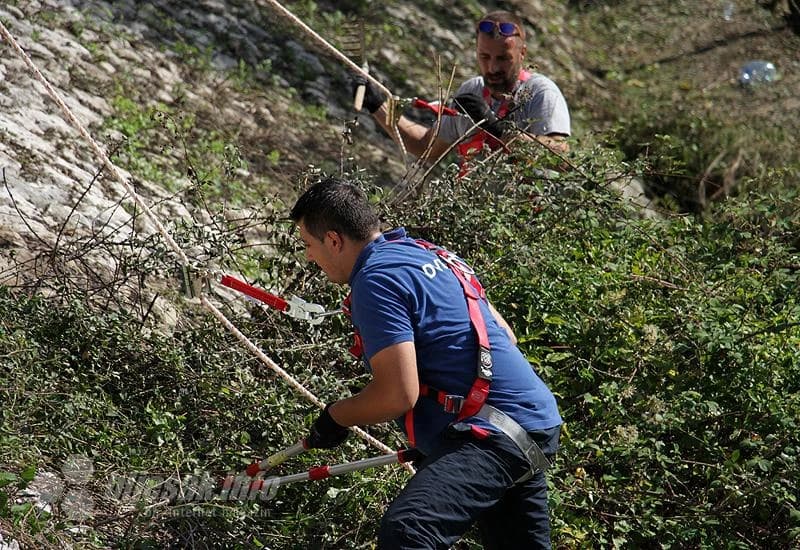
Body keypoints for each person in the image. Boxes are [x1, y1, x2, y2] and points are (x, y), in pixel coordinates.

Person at [291, 177, 562, 549]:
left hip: (495, 432)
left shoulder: (375, 280)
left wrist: (335, 417)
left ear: (334, 240)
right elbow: (505, 335)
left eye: (308, 245)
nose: (308, 256)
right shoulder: (425, 251)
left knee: (408, 532)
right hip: (533, 420)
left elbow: (398, 394)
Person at [357, 10, 571, 166]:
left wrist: (499, 130)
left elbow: (561, 158)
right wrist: (376, 104)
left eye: (503, 58)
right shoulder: (471, 91)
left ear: (522, 54)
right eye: (484, 57)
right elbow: (425, 147)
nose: (493, 67)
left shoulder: (540, 93)